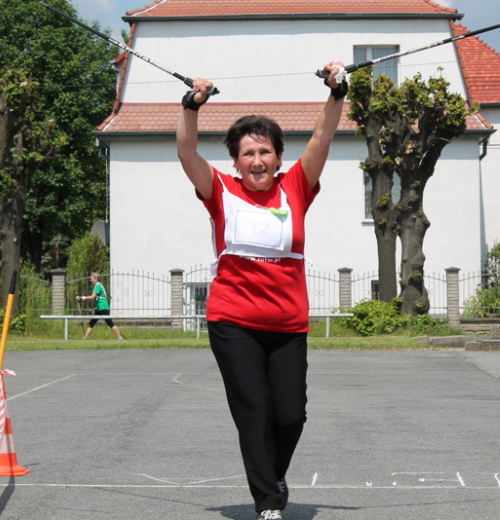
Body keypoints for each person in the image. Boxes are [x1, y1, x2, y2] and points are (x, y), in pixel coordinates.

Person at [176, 62, 347, 520]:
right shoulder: (220, 190)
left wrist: (336, 93)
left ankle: (273, 476)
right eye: (248, 153)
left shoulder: (296, 187)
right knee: (254, 409)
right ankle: (268, 503)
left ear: (278, 159)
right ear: (235, 160)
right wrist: (192, 106)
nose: (257, 160)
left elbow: (322, 139)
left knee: (291, 415)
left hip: (288, 323)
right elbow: (186, 151)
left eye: (265, 152)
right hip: (233, 321)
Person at [75, 272, 124, 340]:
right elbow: (98, 299)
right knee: (92, 322)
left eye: (91, 279)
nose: (90, 280)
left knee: (109, 322)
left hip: (103, 307)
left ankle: (119, 337)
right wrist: (96, 309)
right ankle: (85, 337)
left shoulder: (98, 285)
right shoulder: (98, 285)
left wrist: (81, 298)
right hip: (100, 307)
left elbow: (93, 297)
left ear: (96, 279)